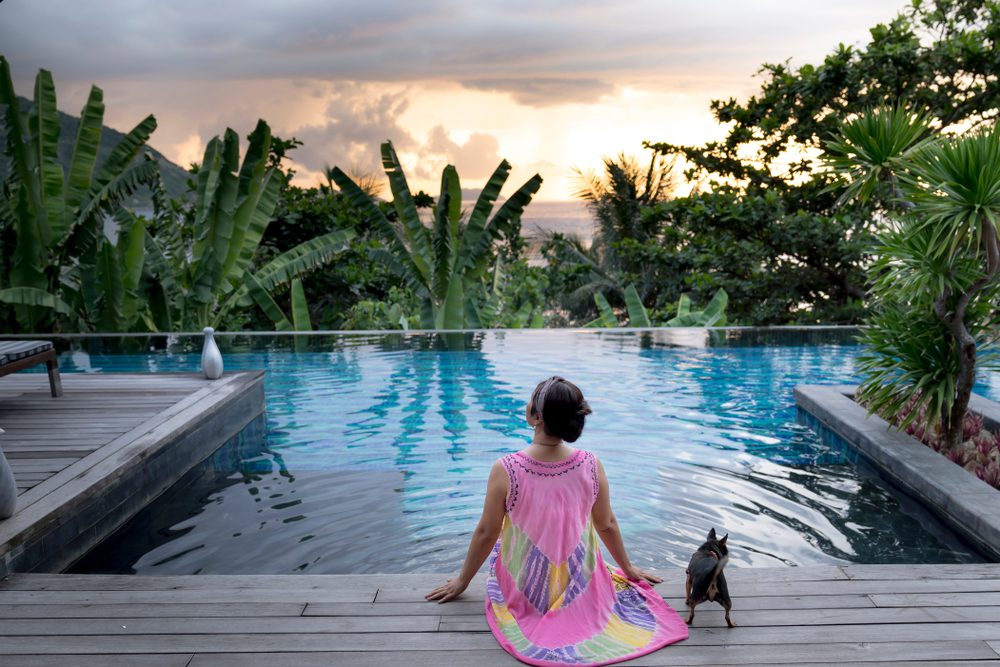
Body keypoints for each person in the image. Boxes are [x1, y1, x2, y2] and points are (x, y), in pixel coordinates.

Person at [426, 376, 689, 665]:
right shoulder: (590, 463)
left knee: (504, 540)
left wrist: (463, 581)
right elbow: (607, 524)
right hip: (582, 582)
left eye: (530, 401)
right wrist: (628, 568)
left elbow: (487, 532)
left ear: (535, 417)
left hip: (526, 587)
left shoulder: (506, 469)